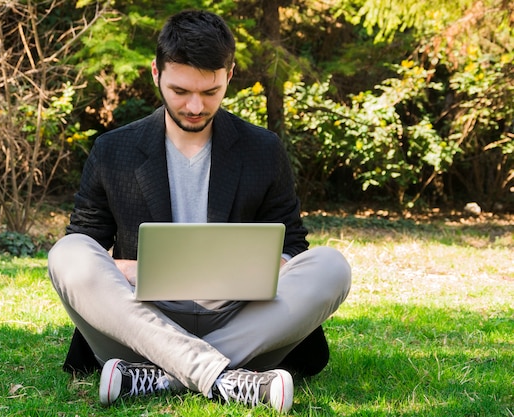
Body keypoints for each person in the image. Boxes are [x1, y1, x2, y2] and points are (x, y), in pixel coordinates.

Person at [48, 9, 351, 413]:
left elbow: (293, 244)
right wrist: (131, 269)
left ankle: (158, 377)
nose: (194, 106)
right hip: (141, 321)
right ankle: (227, 378)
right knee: (66, 254)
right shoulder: (113, 150)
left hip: (241, 318)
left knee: (331, 265)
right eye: (180, 91)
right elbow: (88, 244)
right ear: (156, 73)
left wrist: (259, 271)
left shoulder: (262, 149)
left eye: (210, 93)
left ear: (229, 74)